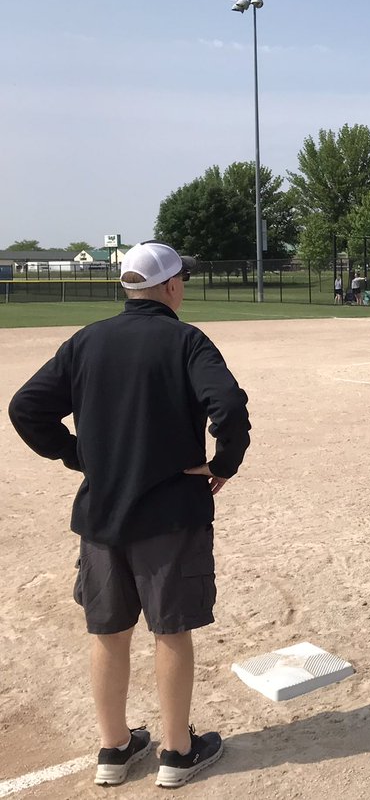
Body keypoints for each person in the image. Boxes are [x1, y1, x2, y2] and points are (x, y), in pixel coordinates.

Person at [8, 241, 250, 788]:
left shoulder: (88, 341)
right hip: (169, 515)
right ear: (168, 287)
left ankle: (114, 749)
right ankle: (176, 752)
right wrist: (224, 463)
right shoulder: (185, 340)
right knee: (170, 630)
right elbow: (228, 405)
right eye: (181, 281)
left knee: (109, 632)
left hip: (101, 516)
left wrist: (77, 455)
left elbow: (26, 407)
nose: (182, 288)